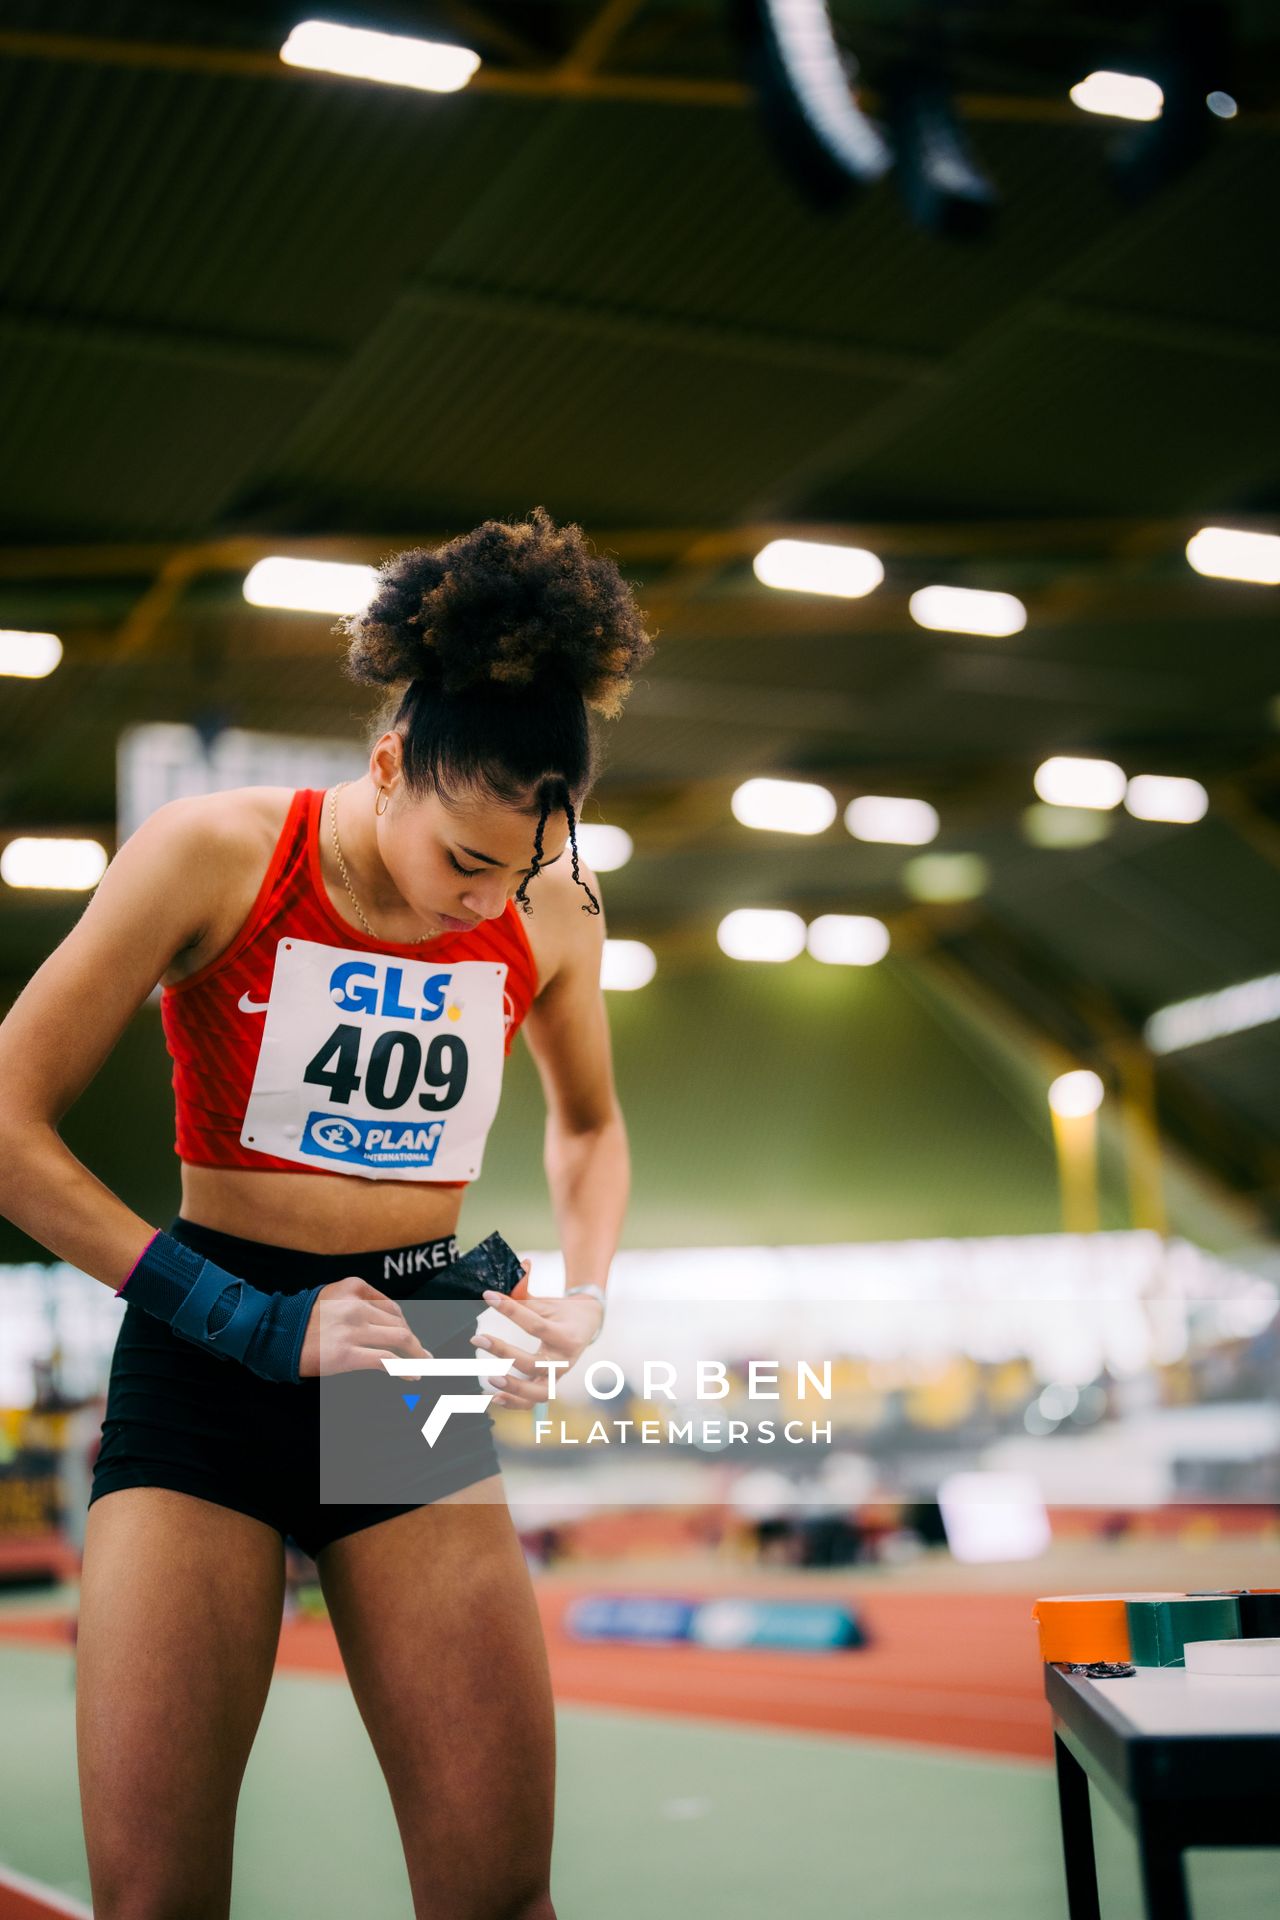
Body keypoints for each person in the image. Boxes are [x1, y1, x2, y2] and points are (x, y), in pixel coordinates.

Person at [0, 506, 653, 1920]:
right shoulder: (213, 856)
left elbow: (592, 1128)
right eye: (466, 863)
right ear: (386, 766)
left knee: (498, 1897)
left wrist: (585, 1286)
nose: (490, 901)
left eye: (527, 868)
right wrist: (245, 1318)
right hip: (211, 1339)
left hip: (409, 1350)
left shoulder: (554, 911)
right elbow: (4, 1129)